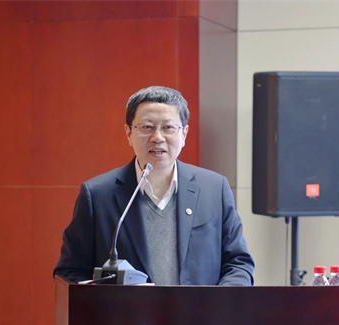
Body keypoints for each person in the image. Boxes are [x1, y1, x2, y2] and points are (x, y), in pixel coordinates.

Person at [53, 86, 254, 286]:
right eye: (147, 127)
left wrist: (221, 300)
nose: (157, 137)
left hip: (201, 308)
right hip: (127, 309)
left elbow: (238, 263)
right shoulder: (98, 195)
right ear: (129, 133)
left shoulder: (214, 189)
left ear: (184, 134)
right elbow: (70, 272)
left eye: (168, 128)